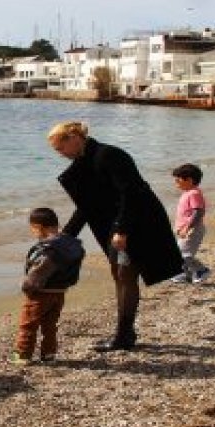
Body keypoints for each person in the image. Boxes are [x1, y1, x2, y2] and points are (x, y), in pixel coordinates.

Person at [47, 121, 183, 352]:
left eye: (60, 149)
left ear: (73, 138)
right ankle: (125, 333)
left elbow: (131, 193)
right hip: (117, 225)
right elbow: (86, 204)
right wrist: (66, 235)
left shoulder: (109, 155)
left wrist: (122, 229)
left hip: (137, 222)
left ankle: (124, 336)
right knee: (119, 274)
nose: (60, 155)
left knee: (125, 274)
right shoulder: (85, 161)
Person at [14, 207, 85, 365]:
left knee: (28, 324)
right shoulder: (68, 244)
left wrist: (26, 286)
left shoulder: (48, 250)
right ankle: (48, 354)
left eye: (33, 229)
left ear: (38, 227)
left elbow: (37, 274)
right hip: (60, 292)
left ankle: (22, 355)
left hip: (40, 293)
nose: (34, 233)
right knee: (50, 325)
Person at [171, 163, 212, 284]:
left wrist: (187, 228)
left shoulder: (194, 193)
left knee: (184, 254)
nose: (176, 183)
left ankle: (201, 270)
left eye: (178, 180)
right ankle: (186, 274)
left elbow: (198, 212)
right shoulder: (188, 193)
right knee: (179, 253)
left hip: (193, 230)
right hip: (185, 230)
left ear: (189, 180)